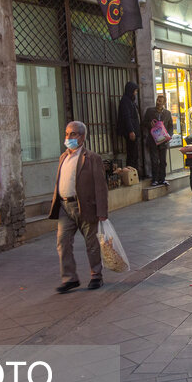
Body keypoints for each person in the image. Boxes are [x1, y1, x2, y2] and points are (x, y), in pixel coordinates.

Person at [48, 120, 110, 293]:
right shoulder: (64, 157)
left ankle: (96, 275)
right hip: (64, 207)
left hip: (85, 206)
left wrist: (102, 211)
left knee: (91, 243)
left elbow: (100, 186)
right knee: (63, 242)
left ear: (82, 137)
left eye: (73, 134)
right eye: (67, 134)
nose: (68, 137)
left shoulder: (92, 158)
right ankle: (69, 278)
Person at [142, 93, 174, 187]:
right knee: (154, 160)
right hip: (153, 140)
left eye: (160, 101)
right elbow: (143, 123)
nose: (158, 102)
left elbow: (171, 126)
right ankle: (154, 179)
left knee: (163, 161)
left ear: (164, 102)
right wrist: (149, 124)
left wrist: (169, 135)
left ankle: (162, 179)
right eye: (157, 100)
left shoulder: (167, 113)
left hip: (164, 141)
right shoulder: (150, 111)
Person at [117, 81, 140, 174]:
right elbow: (127, 117)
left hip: (134, 130)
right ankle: (131, 173)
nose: (136, 92)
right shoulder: (125, 101)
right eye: (135, 91)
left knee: (134, 153)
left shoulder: (131, 101)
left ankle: (134, 172)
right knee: (132, 153)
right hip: (131, 132)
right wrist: (131, 131)